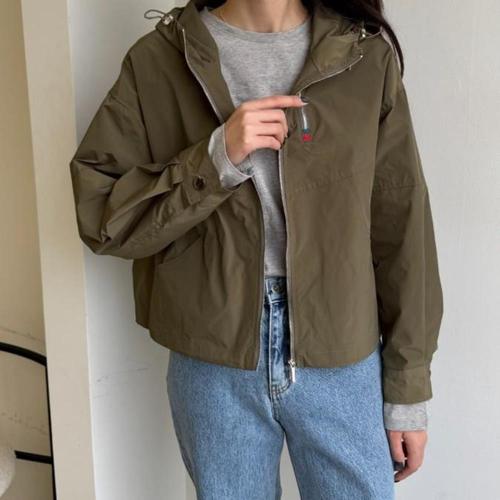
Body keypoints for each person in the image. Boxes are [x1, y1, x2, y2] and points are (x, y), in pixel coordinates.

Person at [69, 0, 444, 498]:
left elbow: (403, 228)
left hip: (342, 348)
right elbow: (102, 217)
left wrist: (407, 388)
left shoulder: (363, 57)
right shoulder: (160, 59)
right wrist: (215, 159)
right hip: (213, 357)